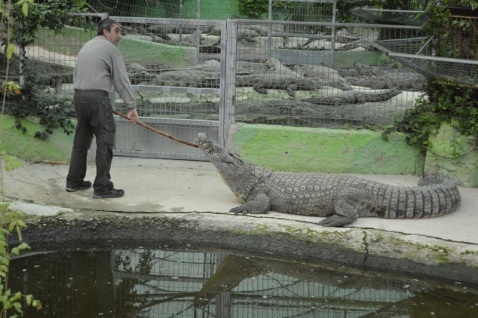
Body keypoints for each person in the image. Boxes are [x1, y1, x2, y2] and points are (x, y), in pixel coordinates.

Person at [66, 18, 139, 199]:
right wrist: (131, 106)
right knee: (104, 142)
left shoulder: (87, 45)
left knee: (81, 141)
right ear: (106, 32)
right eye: (117, 31)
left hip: (79, 97)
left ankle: (73, 182)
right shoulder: (110, 49)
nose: (119, 35)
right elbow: (121, 80)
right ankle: (102, 187)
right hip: (98, 99)